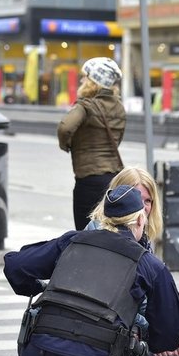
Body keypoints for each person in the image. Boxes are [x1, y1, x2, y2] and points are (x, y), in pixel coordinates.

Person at [3, 185, 179, 356]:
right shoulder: (149, 264)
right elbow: (169, 335)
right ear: (139, 220)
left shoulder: (72, 242)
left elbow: (14, 265)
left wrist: (37, 289)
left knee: (52, 332)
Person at [58, 57, 126, 231]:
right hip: (113, 178)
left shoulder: (85, 106)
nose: (82, 80)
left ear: (93, 81)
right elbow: (117, 138)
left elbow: (65, 127)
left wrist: (66, 144)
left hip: (89, 180)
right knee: (109, 231)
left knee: (85, 234)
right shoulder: (119, 107)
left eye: (85, 77)